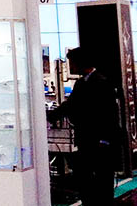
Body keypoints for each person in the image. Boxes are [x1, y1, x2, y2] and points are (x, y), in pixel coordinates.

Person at [48, 46, 120, 206]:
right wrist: (50, 116)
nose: (71, 67)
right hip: (86, 140)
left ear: (81, 62)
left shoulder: (102, 83)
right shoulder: (81, 83)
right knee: (86, 181)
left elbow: (110, 115)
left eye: (72, 63)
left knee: (103, 181)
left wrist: (105, 140)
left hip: (100, 142)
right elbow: (70, 105)